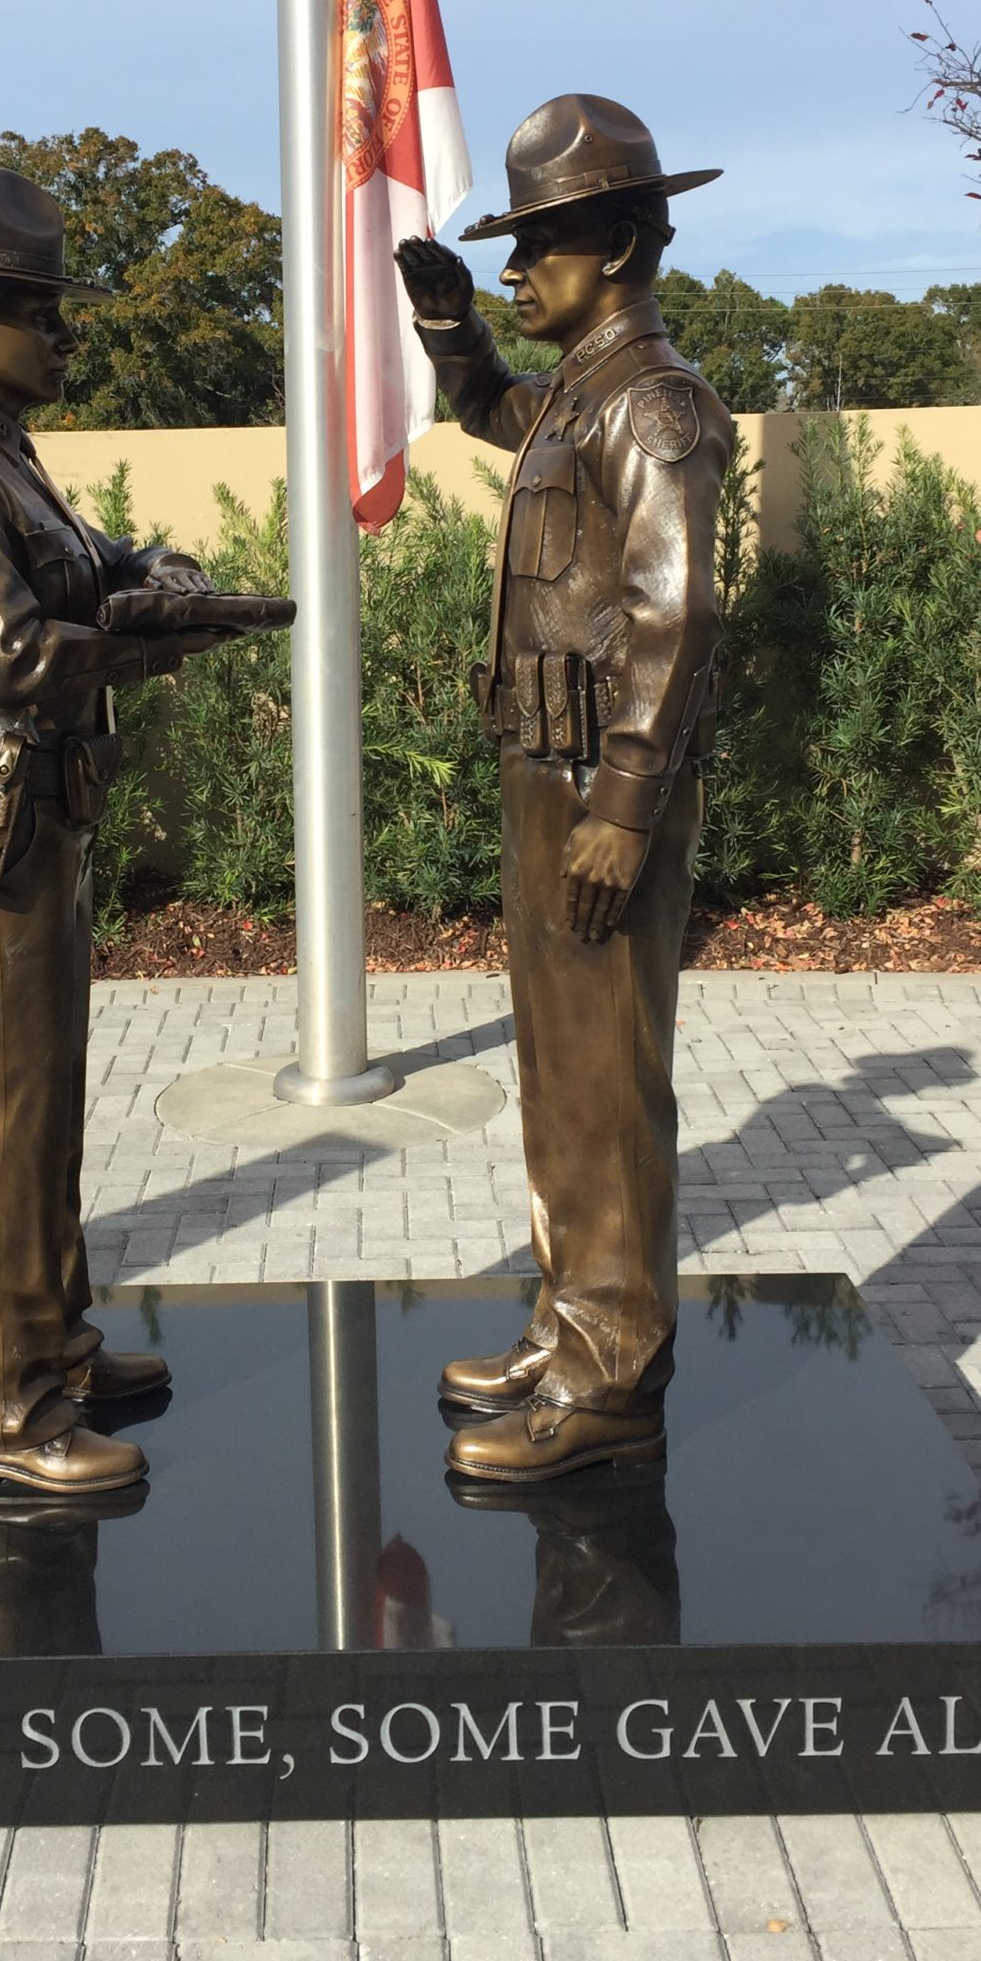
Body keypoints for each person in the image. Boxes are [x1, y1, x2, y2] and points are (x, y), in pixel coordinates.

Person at [0, 167, 241, 1500]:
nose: (68, 336)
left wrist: (167, 579)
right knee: (2, 1123)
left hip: (45, 820)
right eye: (46, 312)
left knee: (50, 1113)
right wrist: (159, 640)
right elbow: (16, 654)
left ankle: (57, 1352)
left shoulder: (7, 459)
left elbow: (105, 563)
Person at [394, 94, 729, 1483]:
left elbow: (679, 614)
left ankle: (611, 1377)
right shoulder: (578, 397)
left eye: (543, 244)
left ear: (629, 243)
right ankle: (566, 1316)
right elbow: (485, 407)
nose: (520, 265)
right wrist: (450, 323)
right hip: (550, 772)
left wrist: (626, 800)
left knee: (608, 1078)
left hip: (603, 783)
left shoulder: (651, 407)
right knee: (556, 1074)